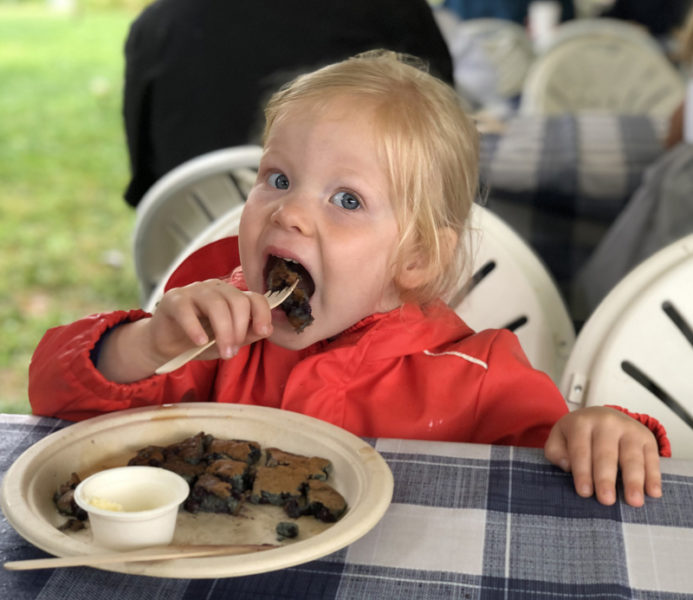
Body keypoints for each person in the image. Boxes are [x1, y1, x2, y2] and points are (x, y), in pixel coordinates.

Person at [31, 51, 668, 508]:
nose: (291, 212)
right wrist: (145, 345)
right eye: (278, 179)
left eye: (347, 200)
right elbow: (55, 402)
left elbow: (557, 468)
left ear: (414, 257)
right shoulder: (208, 327)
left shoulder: (475, 376)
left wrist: (604, 430)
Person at [122, 0, 455, 207]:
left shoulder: (157, 25)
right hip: (366, 287)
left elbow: (145, 181)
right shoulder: (397, 12)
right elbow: (441, 151)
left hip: (182, 247)